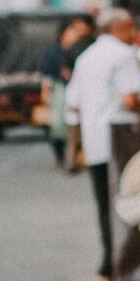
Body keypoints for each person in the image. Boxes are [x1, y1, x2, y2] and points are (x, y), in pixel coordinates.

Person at [64, 7, 140, 281]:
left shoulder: (86, 58)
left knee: (104, 206)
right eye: (131, 28)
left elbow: (72, 102)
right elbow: (131, 100)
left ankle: (108, 269)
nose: (135, 34)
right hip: (122, 142)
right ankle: (117, 268)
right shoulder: (123, 55)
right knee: (125, 204)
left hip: (96, 142)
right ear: (118, 29)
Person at [43, 13, 93, 166]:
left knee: (73, 125)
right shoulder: (54, 52)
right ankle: (60, 155)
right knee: (57, 124)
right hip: (59, 90)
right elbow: (48, 75)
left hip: (76, 89)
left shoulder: (79, 49)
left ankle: (72, 156)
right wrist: (45, 92)